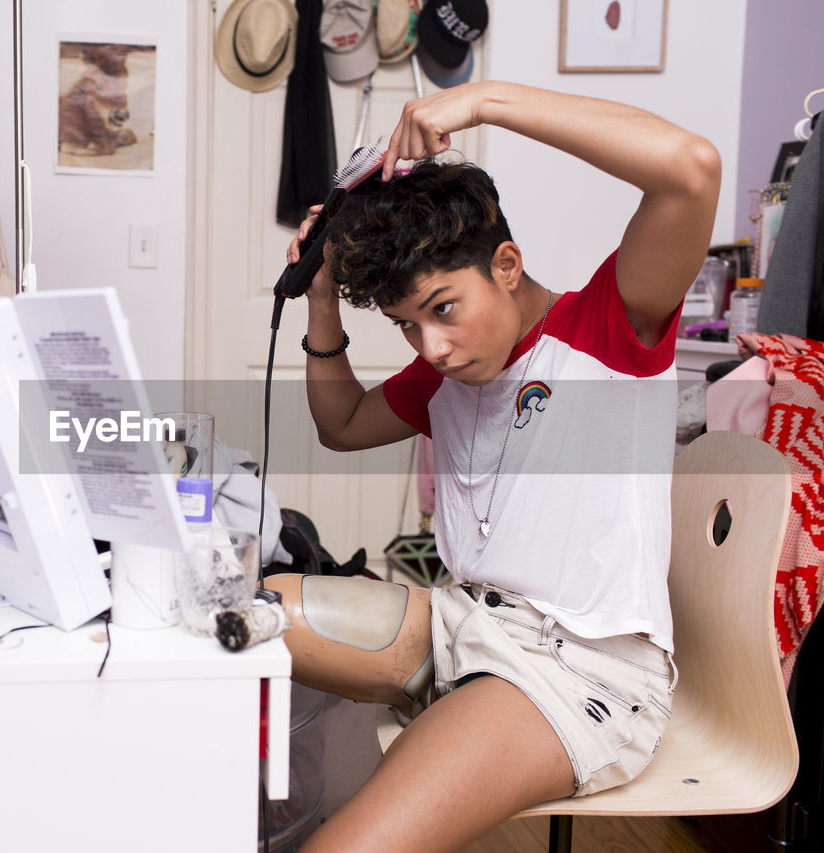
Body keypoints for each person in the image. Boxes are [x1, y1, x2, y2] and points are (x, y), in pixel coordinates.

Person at [264, 81, 721, 853]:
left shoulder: (609, 328)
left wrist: (479, 103)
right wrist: (320, 305)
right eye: (409, 327)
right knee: (253, 615)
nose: (432, 347)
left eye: (444, 308)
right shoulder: (451, 372)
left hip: (576, 677)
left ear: (506, 264)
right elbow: (340, 425)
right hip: (462, 626)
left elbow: (691, 168)